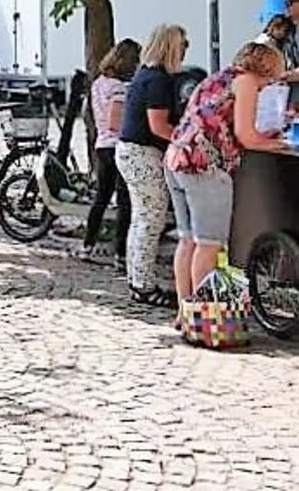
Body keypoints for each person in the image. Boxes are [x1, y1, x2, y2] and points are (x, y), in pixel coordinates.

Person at [164, 41, 286, 308]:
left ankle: (185, 311)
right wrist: (278, 143)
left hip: (178, 157)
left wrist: (262, 138)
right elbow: (246, 135)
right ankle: (204, 314)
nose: (269, 85)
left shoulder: (219, 78)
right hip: (205, 165)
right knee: (208, 245)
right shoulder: (247, 82)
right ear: (267, 68)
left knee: (187, 241)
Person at [117, 24, 190, 307]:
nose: (185, 51)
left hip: (131, 152)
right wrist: (187, 140)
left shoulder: (145, 75)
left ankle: (137, 280)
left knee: (142, 218)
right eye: (183, 45)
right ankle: (144, 285)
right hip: (143, 153)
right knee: (151, 219)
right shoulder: (158, 80)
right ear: (171, 47)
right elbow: (159, 126)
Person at [84, 38, 140, 264]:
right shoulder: (119, 88)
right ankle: (121, 253)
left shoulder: (98, 83)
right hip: (117, 145)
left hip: (102, 145)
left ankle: (88, 244)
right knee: (124, 201)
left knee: (102, 197)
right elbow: (115, 121)